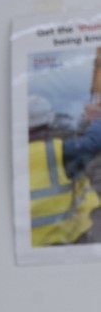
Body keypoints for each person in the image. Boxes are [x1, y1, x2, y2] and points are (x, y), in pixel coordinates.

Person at [27, 94, 101, 246]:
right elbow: (91, 143)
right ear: (49, 123)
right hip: (63, 240)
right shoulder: (56, 152)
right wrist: (97, 121)